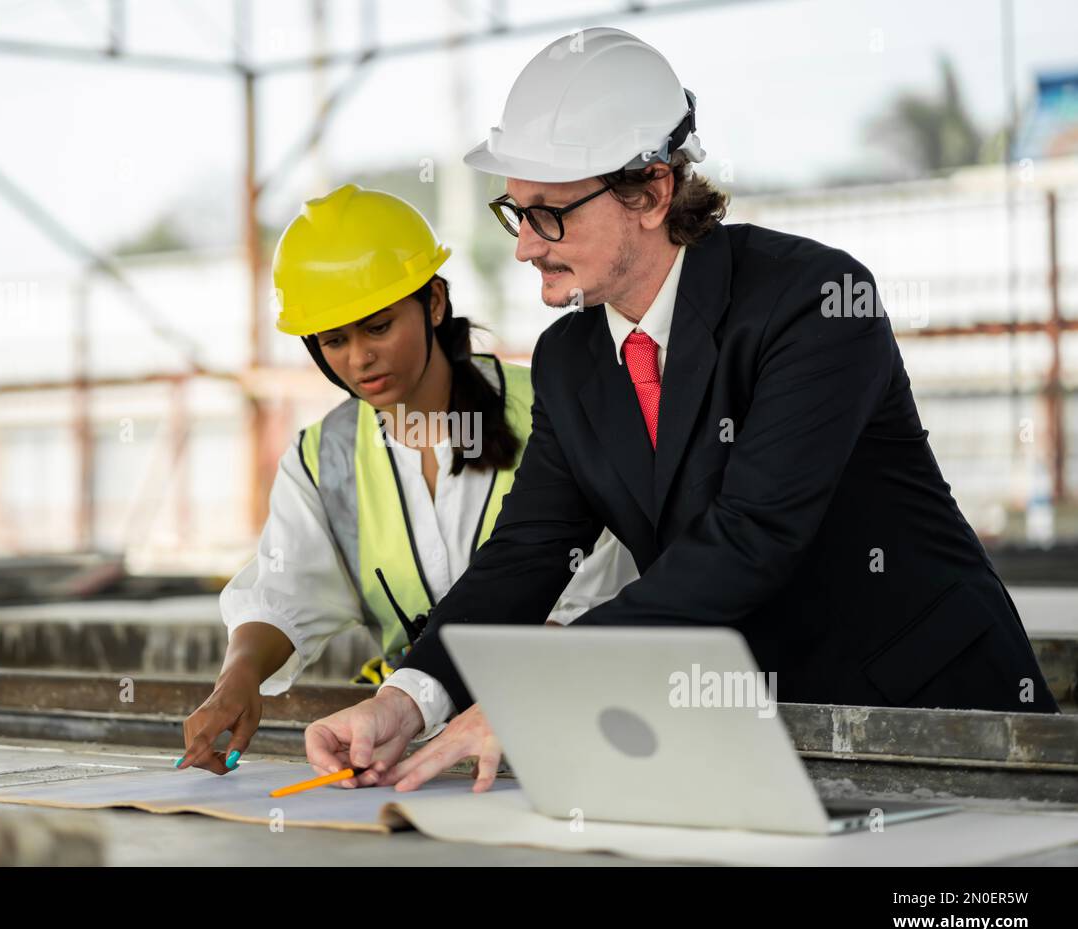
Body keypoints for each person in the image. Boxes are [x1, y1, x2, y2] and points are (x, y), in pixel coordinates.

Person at [304, 28, 1060, 795]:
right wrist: (406, 698)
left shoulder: (815, 303)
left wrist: (548, 683)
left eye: (550, 215)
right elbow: (527, 555)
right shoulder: (572, 360)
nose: (526, 247)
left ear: (653, 191)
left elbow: (752, 538)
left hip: (941, 718)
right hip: (761, 733)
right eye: (516, 213)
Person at [177, 183, 637, 774]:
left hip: (568, 725)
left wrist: (479, 704)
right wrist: (236, 681)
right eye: (334, 340)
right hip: (411, 736)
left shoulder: (553, 405)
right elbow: (285, 590)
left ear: (435, 302)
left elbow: (590, 595)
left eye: (377, 327)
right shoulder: (325, 458)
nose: (359, 358)